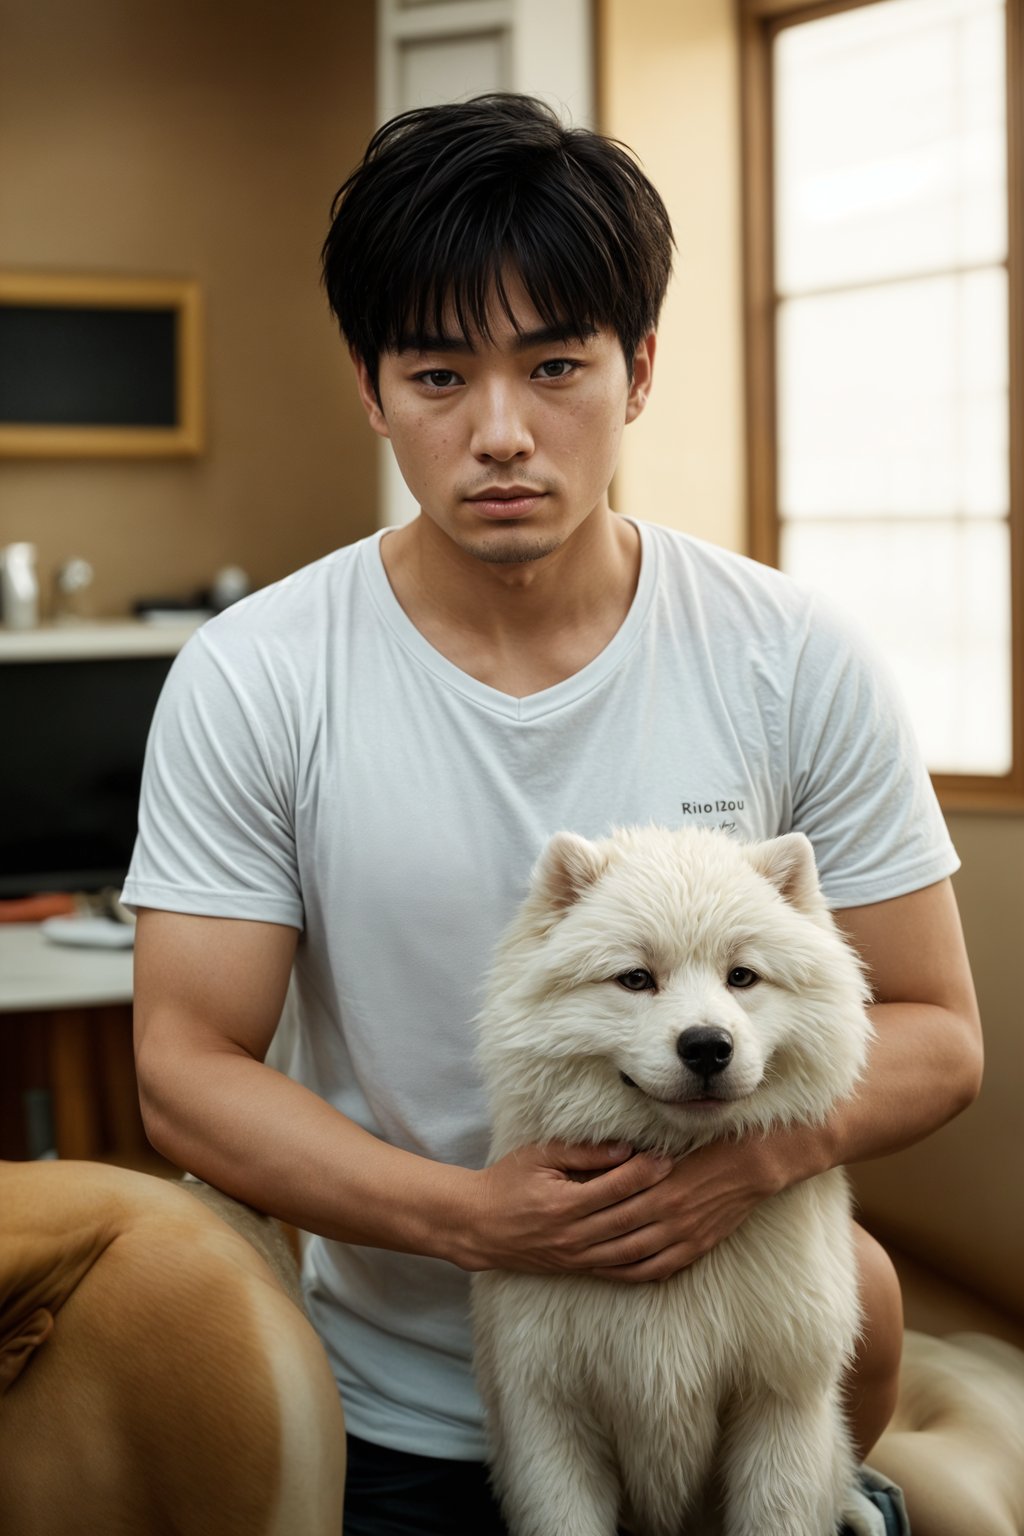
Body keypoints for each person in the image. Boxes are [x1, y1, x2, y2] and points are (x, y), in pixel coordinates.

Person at [125, 94, 982, 1536]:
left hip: (747, 1387)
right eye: (442, 375)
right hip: (409, 1399)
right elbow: (184, 1066)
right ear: (371, 384)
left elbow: (940, 1034)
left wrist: (739, 1172)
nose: (503, 434)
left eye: (558, 365)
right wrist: (475, 1220)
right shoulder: (257, 675)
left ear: (640, 369)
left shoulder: (792, 652)